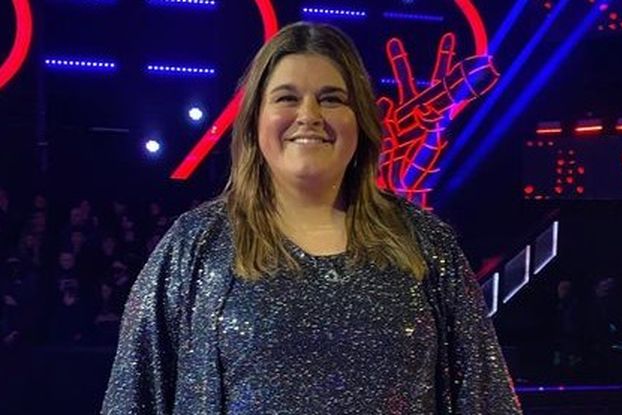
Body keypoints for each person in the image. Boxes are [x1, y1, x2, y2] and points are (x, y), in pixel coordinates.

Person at [102, 22, 521, 414]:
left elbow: (487, 400)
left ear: (361, 120)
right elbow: (131, 399)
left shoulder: (427, 245)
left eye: (331, 98)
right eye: (287, 98)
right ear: (254, 120)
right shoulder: (194, 245)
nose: (309, 115)